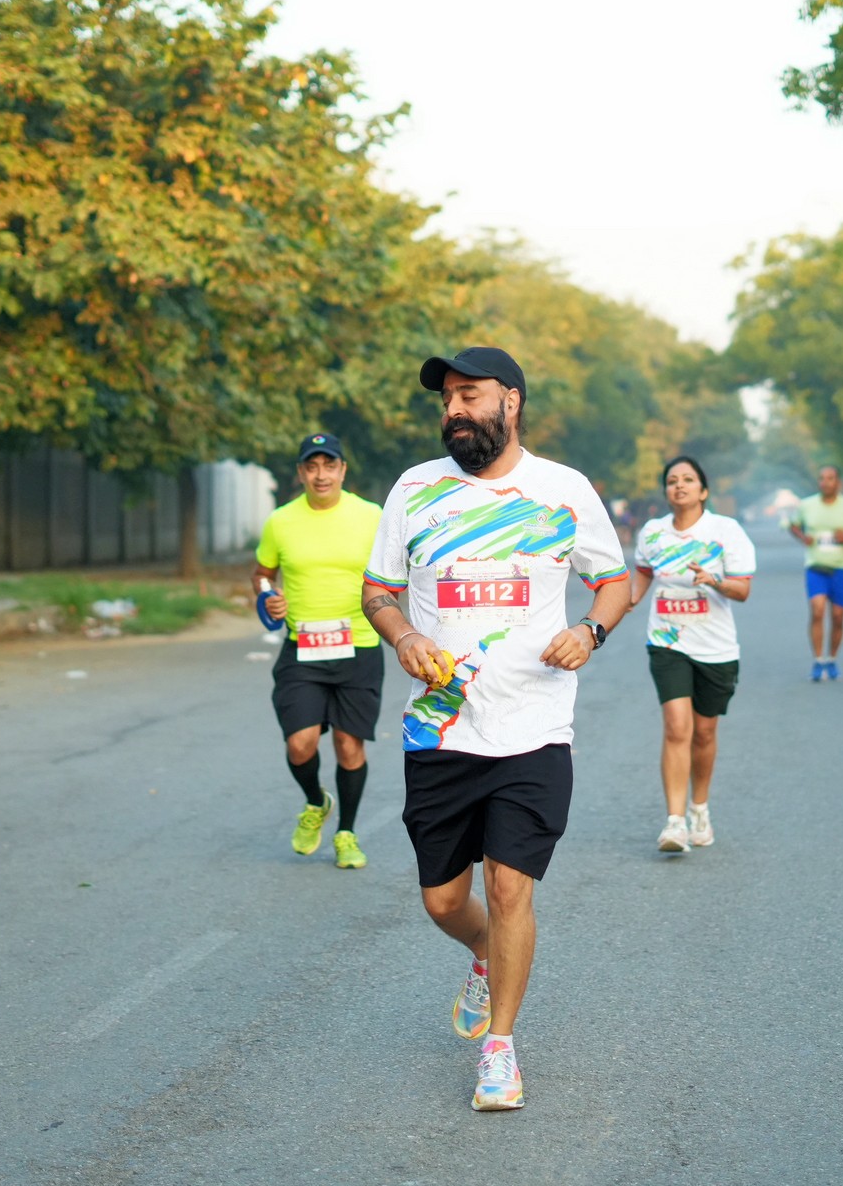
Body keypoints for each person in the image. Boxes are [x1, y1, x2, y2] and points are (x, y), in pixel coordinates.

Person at [360, 346, 629, 1113]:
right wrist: (403, 635)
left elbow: (614, 581)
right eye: (446, 397)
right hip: (440, 730)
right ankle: (482, 950)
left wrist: (590, 631)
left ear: (510, 401)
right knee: (444, 900)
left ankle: (499, 1049)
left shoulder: (562, 489)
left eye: (468, 394)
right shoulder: (413, 489)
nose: (453, 409)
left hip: (534, 727)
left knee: (509, 885)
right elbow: (377, 590)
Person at [252, 433, 385, 870]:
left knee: (349, 745)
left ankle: (346, 834)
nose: (321, 475)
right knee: (300, 743)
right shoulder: (281, 521)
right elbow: (262, 573)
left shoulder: (371, 516)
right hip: (302, 648)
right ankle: (315, 801)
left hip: (359, 646)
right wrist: (267, 596)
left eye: (329, 466)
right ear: (301, 473)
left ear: (343, 470)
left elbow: (394, 573)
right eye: (312, 467)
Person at [628, 456, 755, 853]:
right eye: (672, 481)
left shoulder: (725, 531)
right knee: (676, 727)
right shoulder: (653, 532)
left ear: (703, 490)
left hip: (716, 647)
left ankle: (699, 807)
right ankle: (675, 822)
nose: (679, 486)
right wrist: (626, 601)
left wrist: (714, 581)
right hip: (667, 641)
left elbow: (743, 590)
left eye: (687, 480)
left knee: (704, 732)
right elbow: (644, 571)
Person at [787, 465, 843, 682]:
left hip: (840, 569)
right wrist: (803, 537)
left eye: (830, 478)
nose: (825, 482)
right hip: (815, 567)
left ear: (838, 483)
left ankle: (832, 659)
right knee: (817, 611)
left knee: (838, 617)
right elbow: (793, 525)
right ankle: (818, 660)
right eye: (822, 478)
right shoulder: (807, 505)